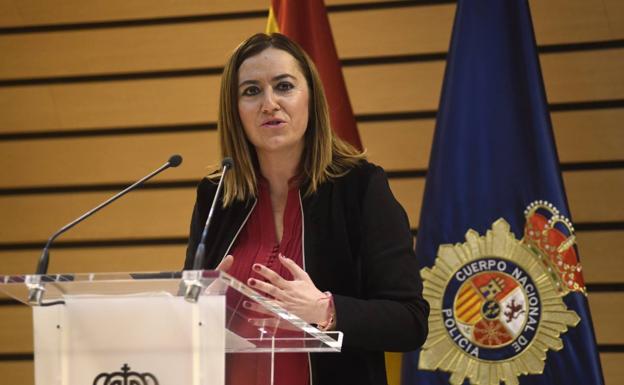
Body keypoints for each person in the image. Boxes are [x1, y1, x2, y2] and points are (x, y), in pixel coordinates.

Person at [184, 32, 429, 385]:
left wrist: (326, 309)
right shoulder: (217, 194)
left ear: (310, 98)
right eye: (251, 91)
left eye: (284, 86)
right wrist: (195, 309)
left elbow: (410, 321)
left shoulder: (360, 187)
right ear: (234, 109)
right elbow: (184, 315)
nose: (269, 103)